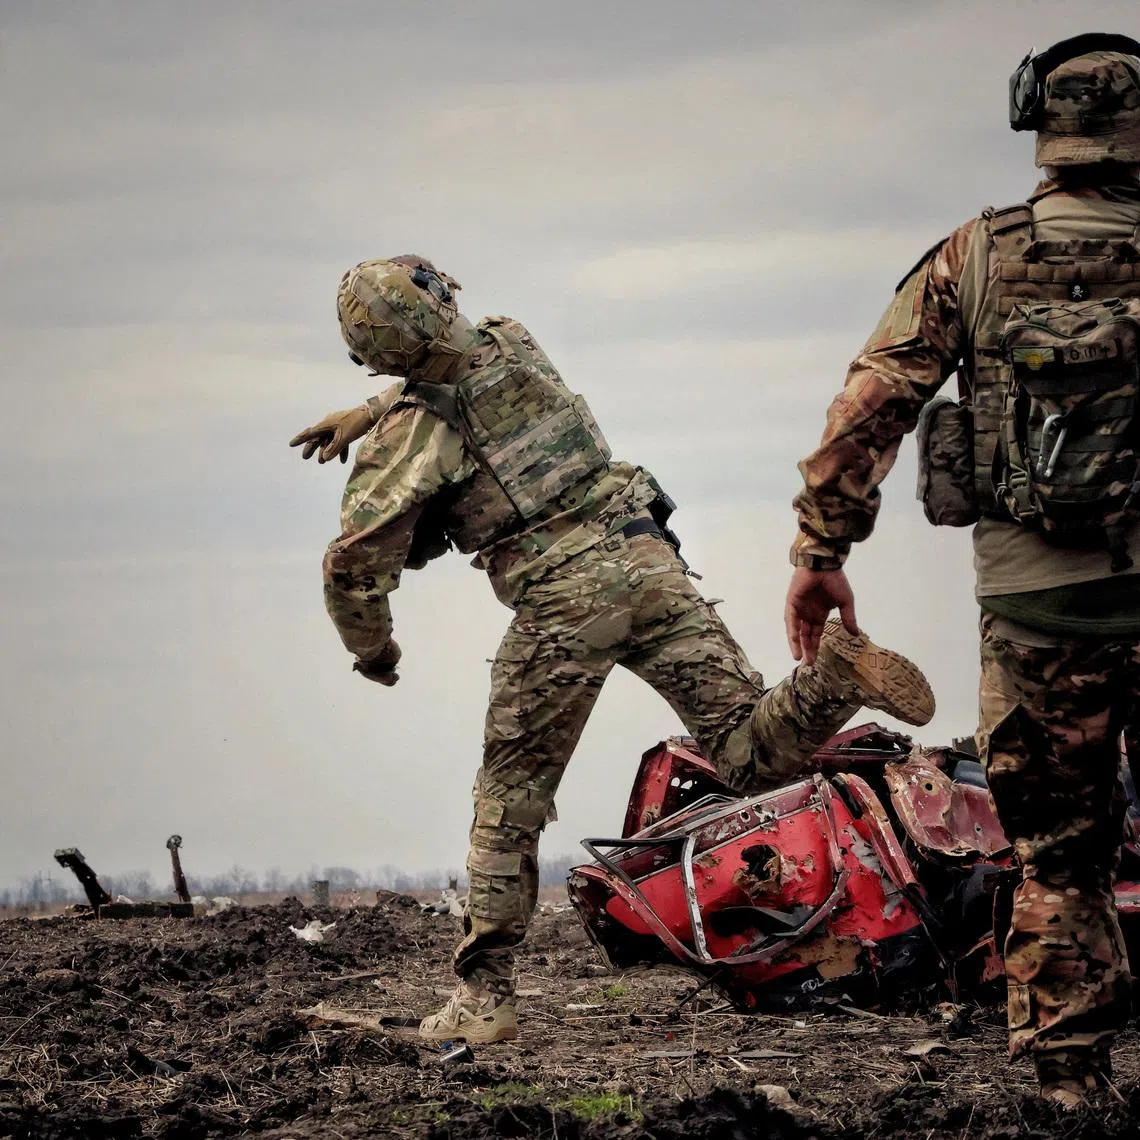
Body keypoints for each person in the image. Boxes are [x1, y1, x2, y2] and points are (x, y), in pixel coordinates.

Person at [293, 254, 935, 1045]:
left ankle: (484, 998)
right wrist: (369, 410)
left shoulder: (408, 437)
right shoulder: (511, 340)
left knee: (508, 802)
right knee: (746, 753)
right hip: (646, 558)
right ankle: (830, 680)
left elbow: (353, 566)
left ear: (373, 352)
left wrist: (376, 652)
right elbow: (448, 372)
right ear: (442, 296)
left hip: (564, 601)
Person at [784, 35, 1140, 1108]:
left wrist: (821, 552)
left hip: (1039, 608)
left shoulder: (973, 257)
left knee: (1060, 857)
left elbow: (870, 406)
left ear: (1040, 127)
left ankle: (1069, 1086)